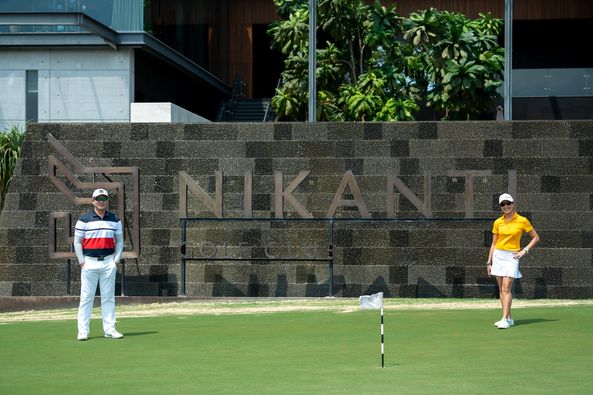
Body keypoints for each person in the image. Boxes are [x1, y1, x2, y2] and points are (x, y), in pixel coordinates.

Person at [74, 188, 124, 340]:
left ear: (107, 201)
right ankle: (83, 331)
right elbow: (77, 242)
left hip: (108, 262)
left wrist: (116, 260)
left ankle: (109, 329)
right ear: (93, 201)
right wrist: (82, 262)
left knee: (108, 297)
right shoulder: (84, 220)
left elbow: (120, 241)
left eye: (104, 199)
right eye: (98, 199)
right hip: (89, 262)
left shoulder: (115, 219)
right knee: (86, 298)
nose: (101, 201)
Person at [487, 193, 539, 329]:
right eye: (503, 204)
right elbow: (494, 243)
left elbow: (535, 237)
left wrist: (524, 250)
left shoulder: (522, 220)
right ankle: (508, 318)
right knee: (501, 288)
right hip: (498, 255)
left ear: (513, 204)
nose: (506, 206)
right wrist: (489, 262)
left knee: (506, 288)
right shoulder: (498, 222)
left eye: (508, 203)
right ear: (500, 207)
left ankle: (504, 319)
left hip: (512, 257)